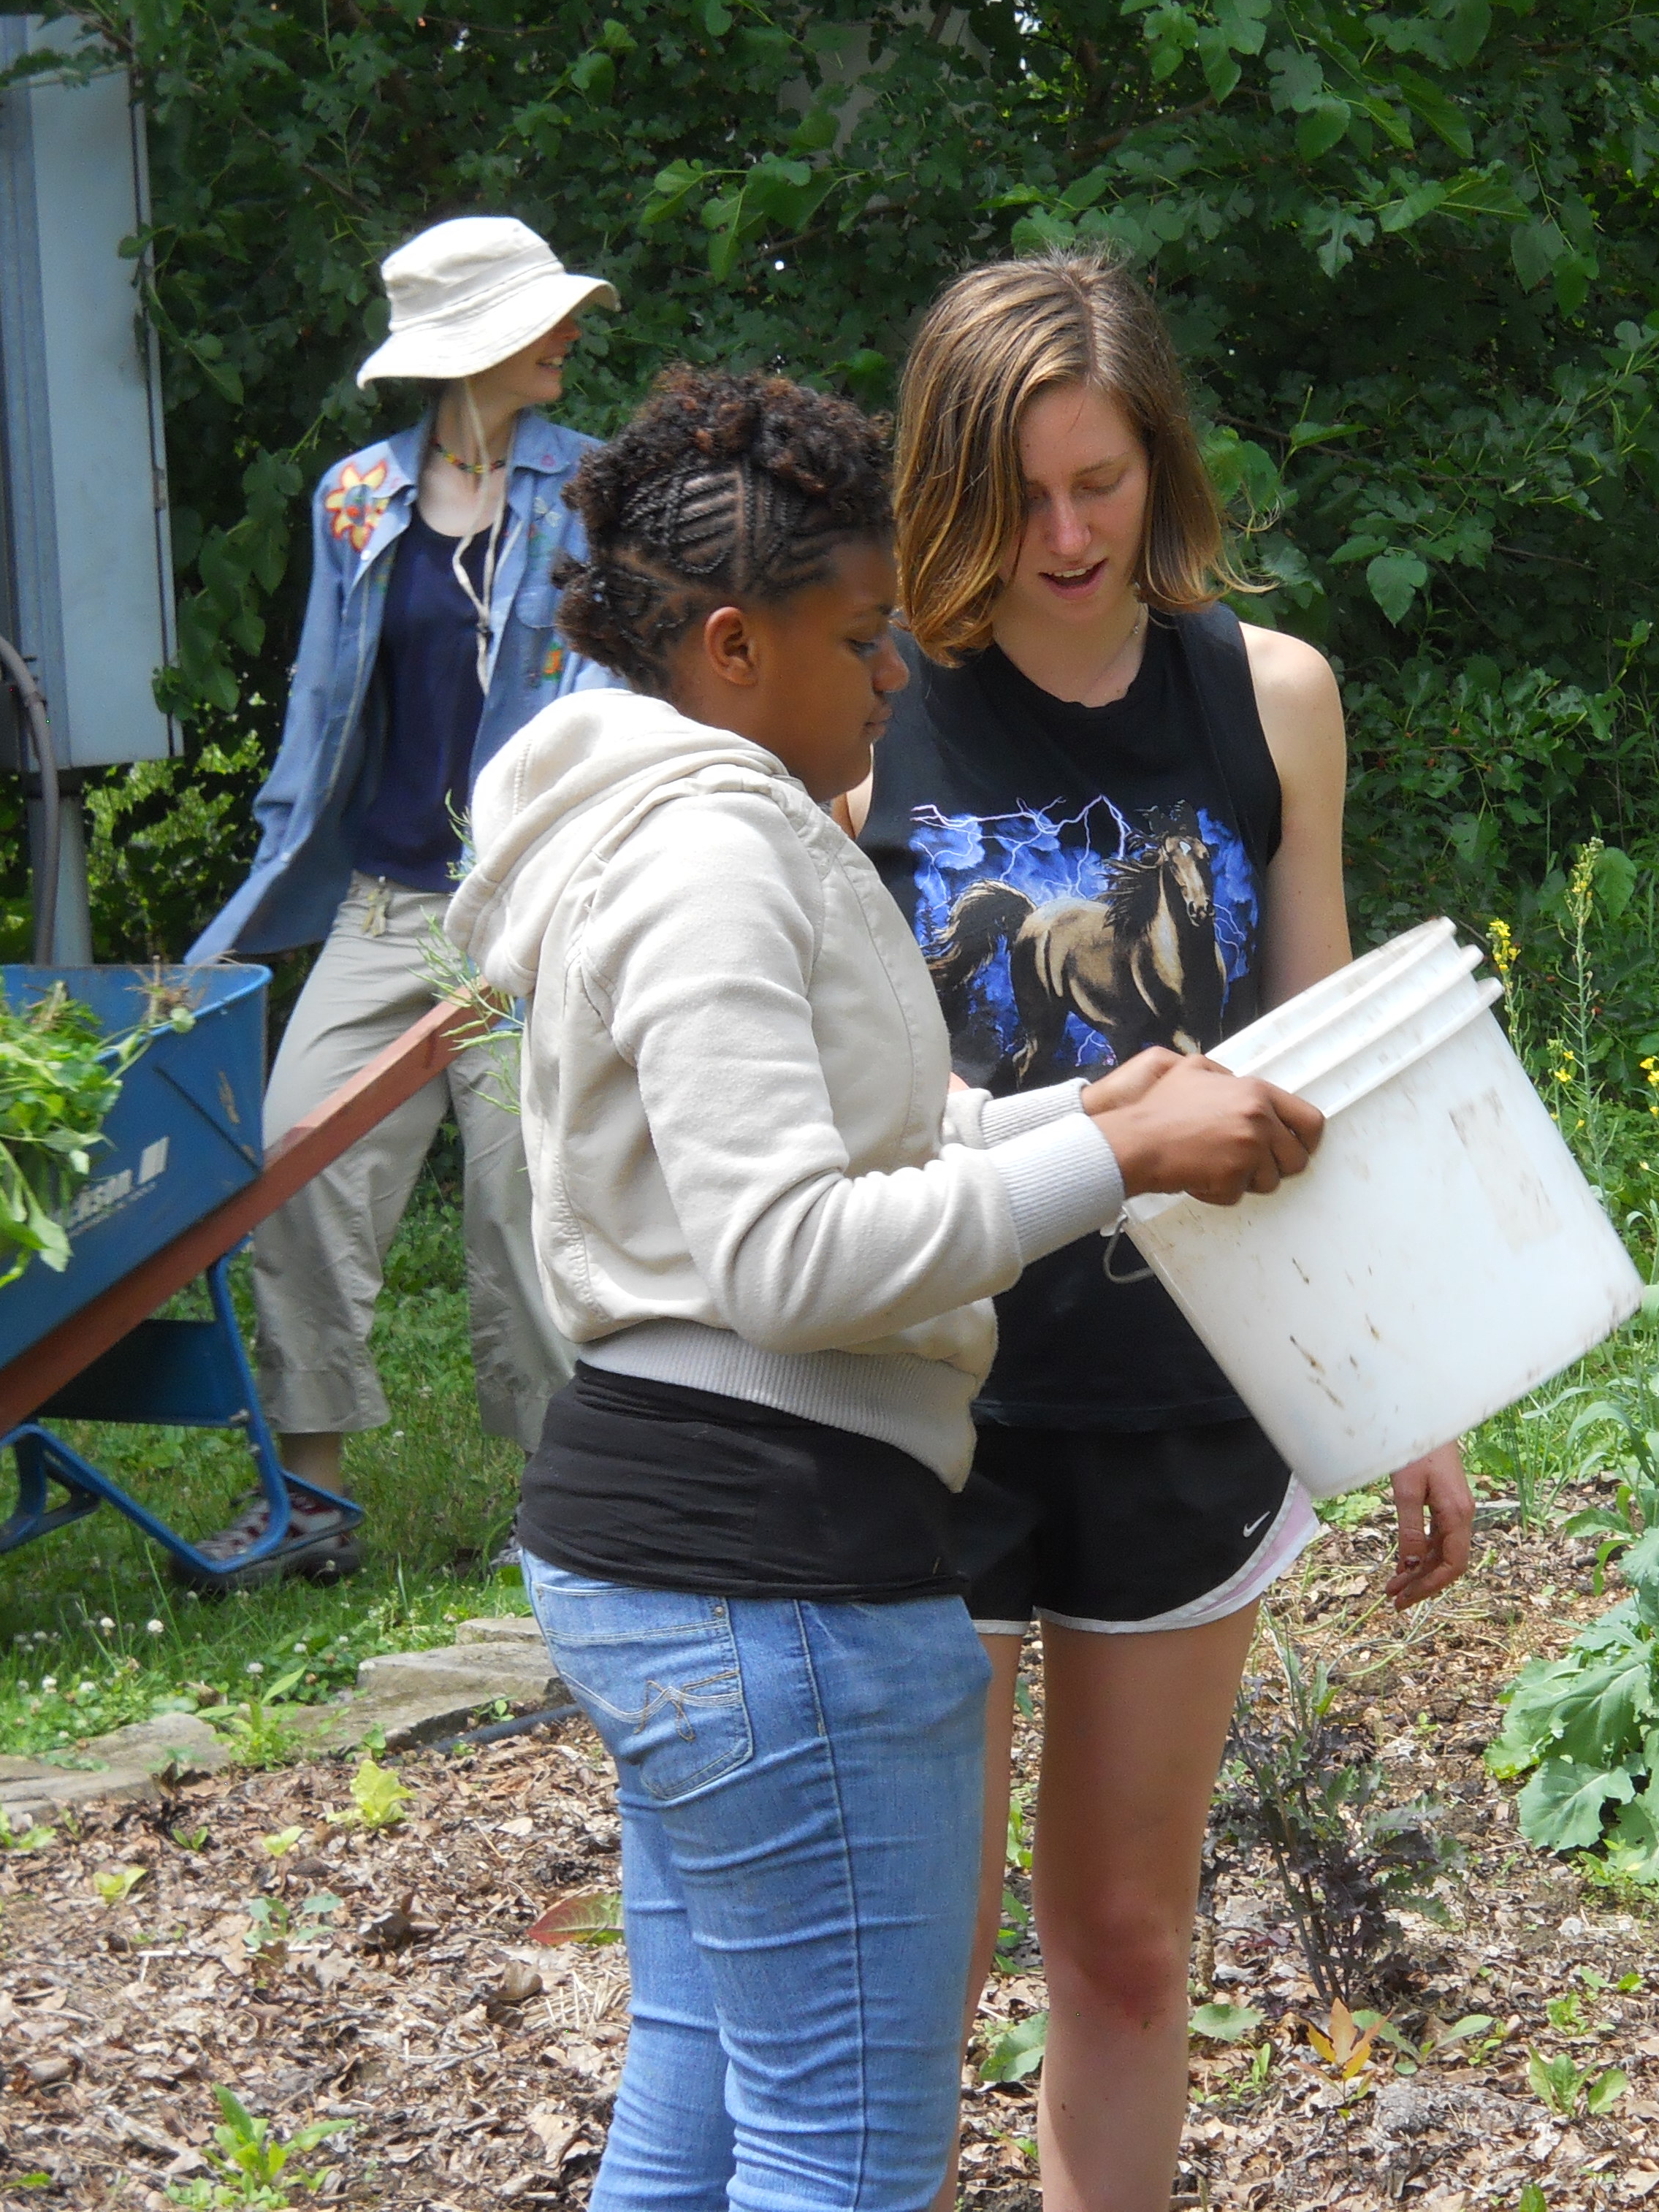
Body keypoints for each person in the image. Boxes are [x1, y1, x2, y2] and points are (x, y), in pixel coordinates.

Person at [445, 366, 1321, 2212]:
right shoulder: (709, 861)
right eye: (861, 639)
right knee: (842, 2162)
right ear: (736, 648)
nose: (898, 673)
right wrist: (1116, 1167)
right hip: (776, 1581)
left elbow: (866, 1134)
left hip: (687, 1551)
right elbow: (788, 1258)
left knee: (696, 2111)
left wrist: (1090, 1107)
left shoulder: (701, 825)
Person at [850, 251, 1476, 2212]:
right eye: (1019, 494)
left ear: (1161, 469)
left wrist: (1409, 1387)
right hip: (928, 1404)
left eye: (1100, 485)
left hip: (1186, 1393)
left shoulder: (1269, 698)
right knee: (917, 1963)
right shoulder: (866, 713)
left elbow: (1325, 1070)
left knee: (1125, 1938)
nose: (1064, 536)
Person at [186, 216, 617, 1585]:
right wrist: (269, 875)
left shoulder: (594, 489)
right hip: (385, 903)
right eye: (543, 318)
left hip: (532, 904)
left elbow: (615, 687)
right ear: (474, 346)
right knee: (294, 1155)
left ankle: (565, 1508)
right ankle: (310, 1497)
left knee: (526, 1195)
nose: (570, 334)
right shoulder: (356, 500)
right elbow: (321, 710)